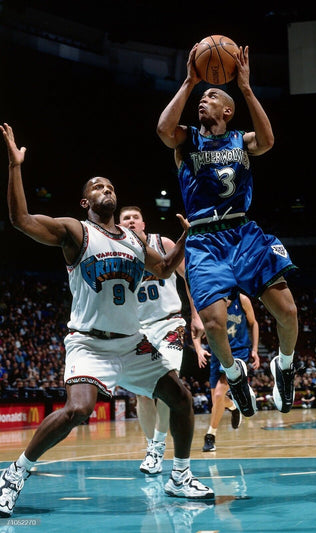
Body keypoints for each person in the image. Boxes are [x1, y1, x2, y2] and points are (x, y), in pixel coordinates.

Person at [0, 123, 214, 518]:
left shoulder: (134, 241)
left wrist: (187, 236)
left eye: (110, 187)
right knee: (79, 410)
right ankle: (15, 473)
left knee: (181, 398)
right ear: (85, 201)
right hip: (89, 342)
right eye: (98, 187)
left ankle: (180, 475)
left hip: (132, 343)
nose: (106, 190)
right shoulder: (76, 232)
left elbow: (165, 269)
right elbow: (21, 219)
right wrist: (15, 167)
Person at [156, 43, 298, 418]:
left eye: (212, 96)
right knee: (215, 323)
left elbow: (268, 141)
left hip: (243, 234)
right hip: (204, 240)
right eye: (201, 98)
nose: (203, 101)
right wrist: (189, 82)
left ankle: (285, 366)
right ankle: (234, 375)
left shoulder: (241, 140)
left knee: (287, 311)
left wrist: (246, 88)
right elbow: (163, 129)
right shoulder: (187, 140)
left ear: (227, 111)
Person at [118, 205, 204, 475]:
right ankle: (151, 447)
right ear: (119, 225)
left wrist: (196, 314)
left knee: (168, 382)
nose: (131, 221)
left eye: (135, 217)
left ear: (143, 224)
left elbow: (189, 276)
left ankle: (157, 447)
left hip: (170, 323)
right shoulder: (116, 252)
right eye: (126, 218)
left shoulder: (162, 243)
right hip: (138, 329)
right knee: (143, 395)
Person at [194, 291, 260, 452]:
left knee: (218, 395)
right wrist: (198, 349)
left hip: (238, 352)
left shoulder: (242, 299)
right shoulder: (210, 300)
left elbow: (254, 323)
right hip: (217, 352)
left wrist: (255, 349)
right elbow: (195, 328)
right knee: (217, 400)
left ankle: (210, 435)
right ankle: (233, 407)